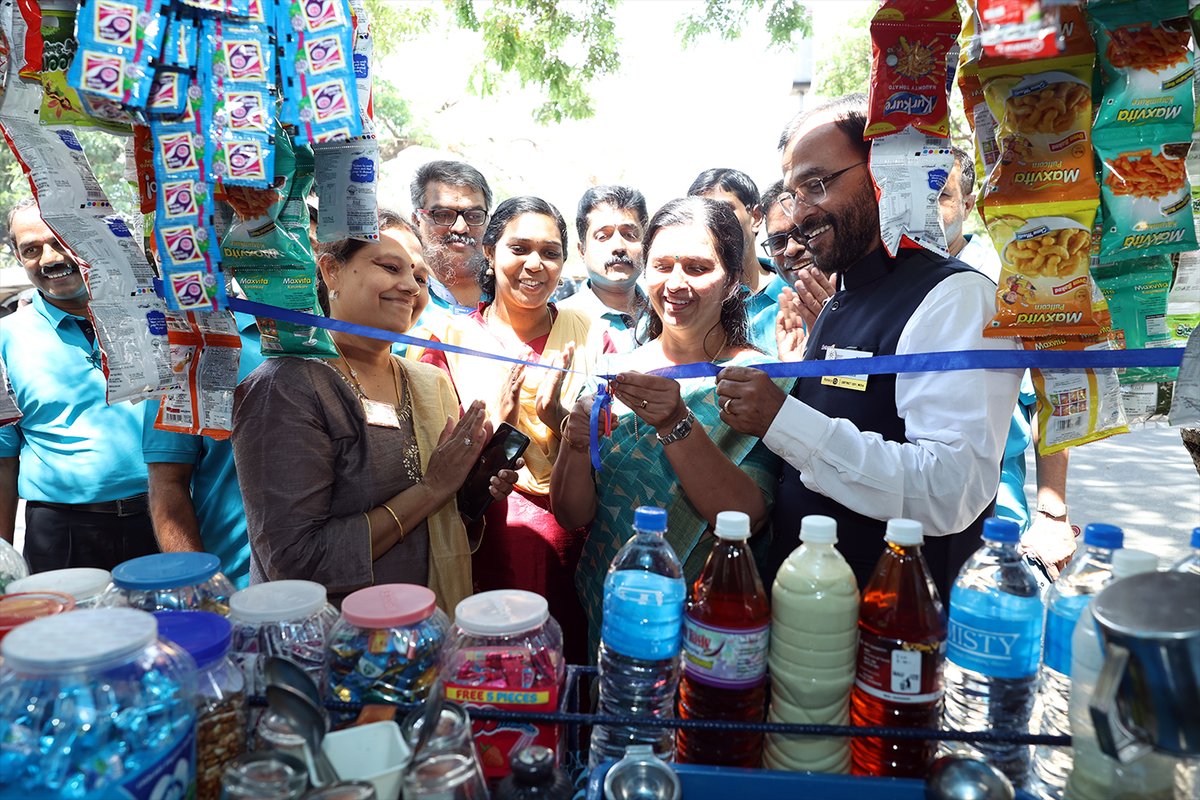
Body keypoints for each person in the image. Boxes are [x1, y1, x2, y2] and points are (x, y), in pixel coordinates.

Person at [715, 94, 1021, 599]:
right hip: (815, 608)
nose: (800, 214)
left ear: (887, 170)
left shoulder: (954, 298)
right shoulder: (844, 296)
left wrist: (780, 418)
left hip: (894, 623)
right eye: (793, 194)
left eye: (817, 184)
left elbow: (950, 489)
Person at [231, 210, 520, 611]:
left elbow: (441, 522)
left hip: (422, 634)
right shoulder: (286, 387)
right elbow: (294, 562)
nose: (409, 288)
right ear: (331, 270)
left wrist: (468, 493)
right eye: (390, 267)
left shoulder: (427, 381)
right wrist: (433, 488)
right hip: (333, 645)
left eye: (420, 278)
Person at [551, 196, 789, 655]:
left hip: (713, 627)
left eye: (697, 268)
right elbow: (574, 515)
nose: (675, 283)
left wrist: (678, 422)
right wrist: (574, 446)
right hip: (618, 622)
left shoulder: (758, 383)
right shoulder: (615, 371)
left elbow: (745, 517)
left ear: (733, 281)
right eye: (661, 265)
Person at [421, 196, 595, 662]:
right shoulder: (449, 343)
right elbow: (426, 460)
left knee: (564, 666)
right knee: (493, 669)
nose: (535, 264)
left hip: (574, 530)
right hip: (481, 529)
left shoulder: (591, 334)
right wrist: (495, 424)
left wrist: (560, 420)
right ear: (490, 251)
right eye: (519, 248)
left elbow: (615, 449)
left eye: (550, 252)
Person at [0, 198, 157, 571]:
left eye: (61, 240)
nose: (50, 258)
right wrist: (3, 561)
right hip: (62, 535)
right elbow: (2, 462)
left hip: (166, 517)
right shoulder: (4, 340)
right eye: (32, 249)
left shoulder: (153, 317)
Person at [941, 146, 1074, 579]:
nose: (927, 209)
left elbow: (1051, 395)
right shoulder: (878, 276)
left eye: (941, 195)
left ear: (966, 205)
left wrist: (1052, 515)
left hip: (994, 494)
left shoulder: (1007, 281)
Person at [142, 312, 265, 589]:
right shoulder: (195, 339)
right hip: (238, 585)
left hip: (357, 573)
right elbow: (167, 482)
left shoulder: (366, 333)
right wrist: (199, 585)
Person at [687, 168, 787, 356]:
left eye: (724, 211)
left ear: (756, 217)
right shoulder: (684, 301)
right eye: (702, 215)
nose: (713, 223)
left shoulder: (800, 292)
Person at [558, 185, 648, 353]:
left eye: (629, 235)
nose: (619, 247)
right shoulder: (559, 320)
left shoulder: (667, 311)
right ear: (581, 250)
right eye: (602, 236)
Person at [760, 180, 835, 362]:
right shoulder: (761, 327)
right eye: (777, 241)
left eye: (801, 232)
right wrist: (791, 374)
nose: (791, 249)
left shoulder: (876, 304)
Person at [410, 160, 493, 314]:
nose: (461, 228)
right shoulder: (399, 291)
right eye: (443, 215)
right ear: (416, 221)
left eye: (474, 216)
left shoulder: (512, 290)